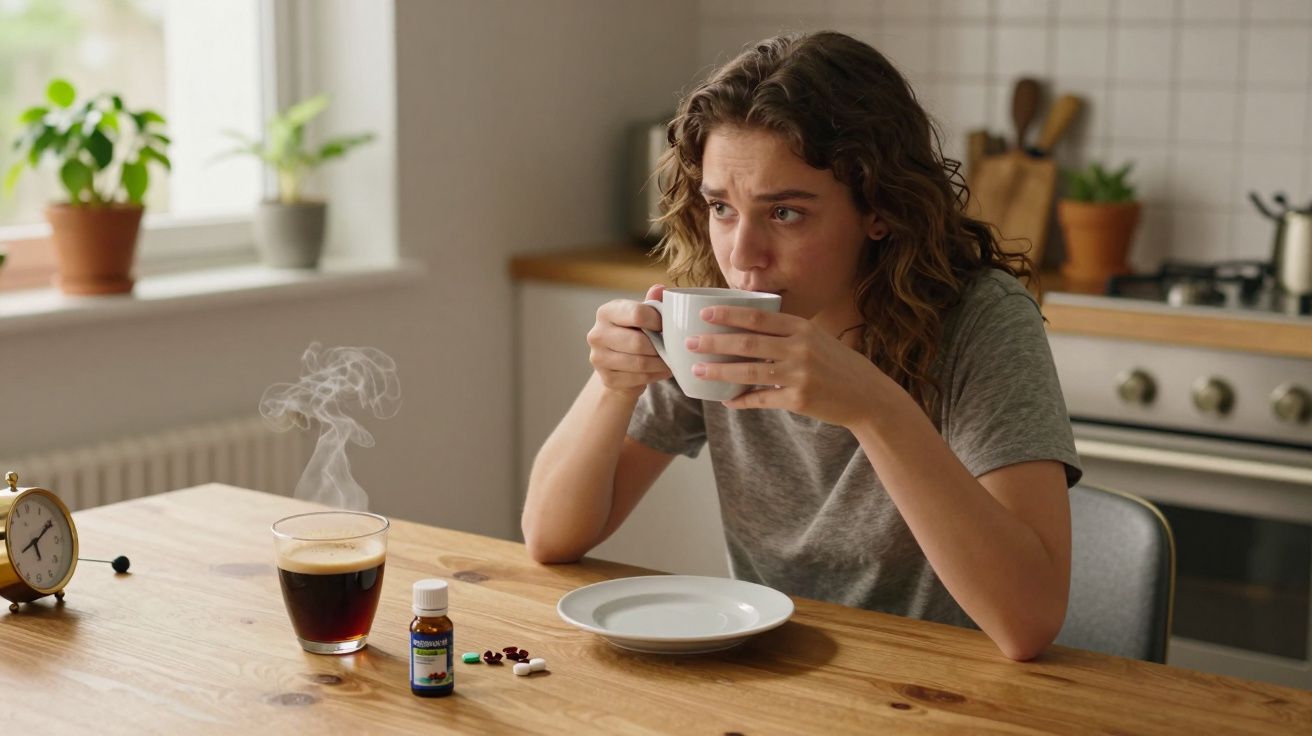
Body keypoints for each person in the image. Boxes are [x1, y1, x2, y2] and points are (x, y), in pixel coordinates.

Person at [521, 31, 1081, 661]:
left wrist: (876, 408)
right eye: (721, 208)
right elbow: (550, 537)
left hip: (945, 687)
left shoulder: (981, 320)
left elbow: (1029, 620)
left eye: (785, 212)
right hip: (772, 677)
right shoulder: (710, 318)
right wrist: (611, 383)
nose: (741, 256)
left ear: (878, 209)